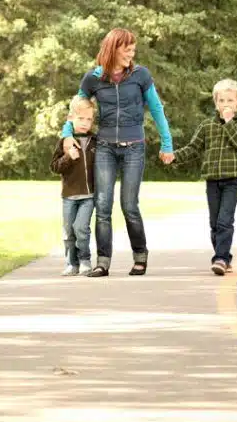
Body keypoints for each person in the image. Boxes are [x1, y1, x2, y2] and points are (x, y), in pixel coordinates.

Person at [60, 28, 173, 277]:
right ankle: (103, 262)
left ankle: (140, 256)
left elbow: (156, 108)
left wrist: (167, 143)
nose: (131, 53)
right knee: (102, 205)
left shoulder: (141, 75)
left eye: (133, 49)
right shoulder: (93, 78)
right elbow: (75, 109)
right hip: (105, 148)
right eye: (127, 49)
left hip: (134, 147)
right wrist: (66, 134)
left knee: (129, 205)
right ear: (113, 48)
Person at [171, 79, 237, 276]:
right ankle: (223, 256)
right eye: (221, 100)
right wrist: (174, 156)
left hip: (232, 180)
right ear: (216, 103)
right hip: (212, 180)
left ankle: (221, 258)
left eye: (230, 100)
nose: (225, 104)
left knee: (225, 220)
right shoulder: (207, 126)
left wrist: (229, 121)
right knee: (214, 222)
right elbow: (193, 148)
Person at [50, 96, 98, 276]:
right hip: (69, 195)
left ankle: (85, 260)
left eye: (89, 119)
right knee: (68, 231)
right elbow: (54, 167)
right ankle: (72, 263)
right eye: (81, 118)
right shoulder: (64, 141)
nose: (85, 123)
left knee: (81, 228)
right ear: (71, 118)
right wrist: (68, 156)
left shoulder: (96, 141)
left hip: (88, 195)